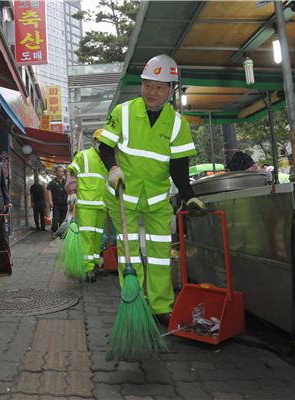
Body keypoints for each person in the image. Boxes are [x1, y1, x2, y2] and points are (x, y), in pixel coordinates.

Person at [97, 54, 206, 326]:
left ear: (170, 91)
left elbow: (179, 166)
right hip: (123, 194)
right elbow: (105, 146)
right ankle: (135, 302)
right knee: (130, 252)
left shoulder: (178, 123)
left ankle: (160, 307)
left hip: (157, 199)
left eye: (159, 87)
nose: (152, 92)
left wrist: (189, 195)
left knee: (159, 255)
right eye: (148, 85)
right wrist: (112, 169)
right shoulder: (123, 112)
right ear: (142, 84)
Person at [66, 129, 108, 282]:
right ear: (94, 142)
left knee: (97, 238)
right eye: (100, 142)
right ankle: (86, 268)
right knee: (87, 237)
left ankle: (95, 264)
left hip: (101, 206)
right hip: (86, 204)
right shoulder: (83, 155)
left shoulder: (106, 159)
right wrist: (72, 192)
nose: (102, 145)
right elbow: (72, 173)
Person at [47, 165, 68, 237]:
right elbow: (49, 191)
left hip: (65, 204)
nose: (61, 173)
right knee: (55, 218)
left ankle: (61, 232)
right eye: (60, 171)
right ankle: (54, 231)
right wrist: (50, 201)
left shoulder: (66, 182)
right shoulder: (52, 182)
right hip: (56, 204)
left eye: (62, 172)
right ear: (56, 172)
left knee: (63, 219)